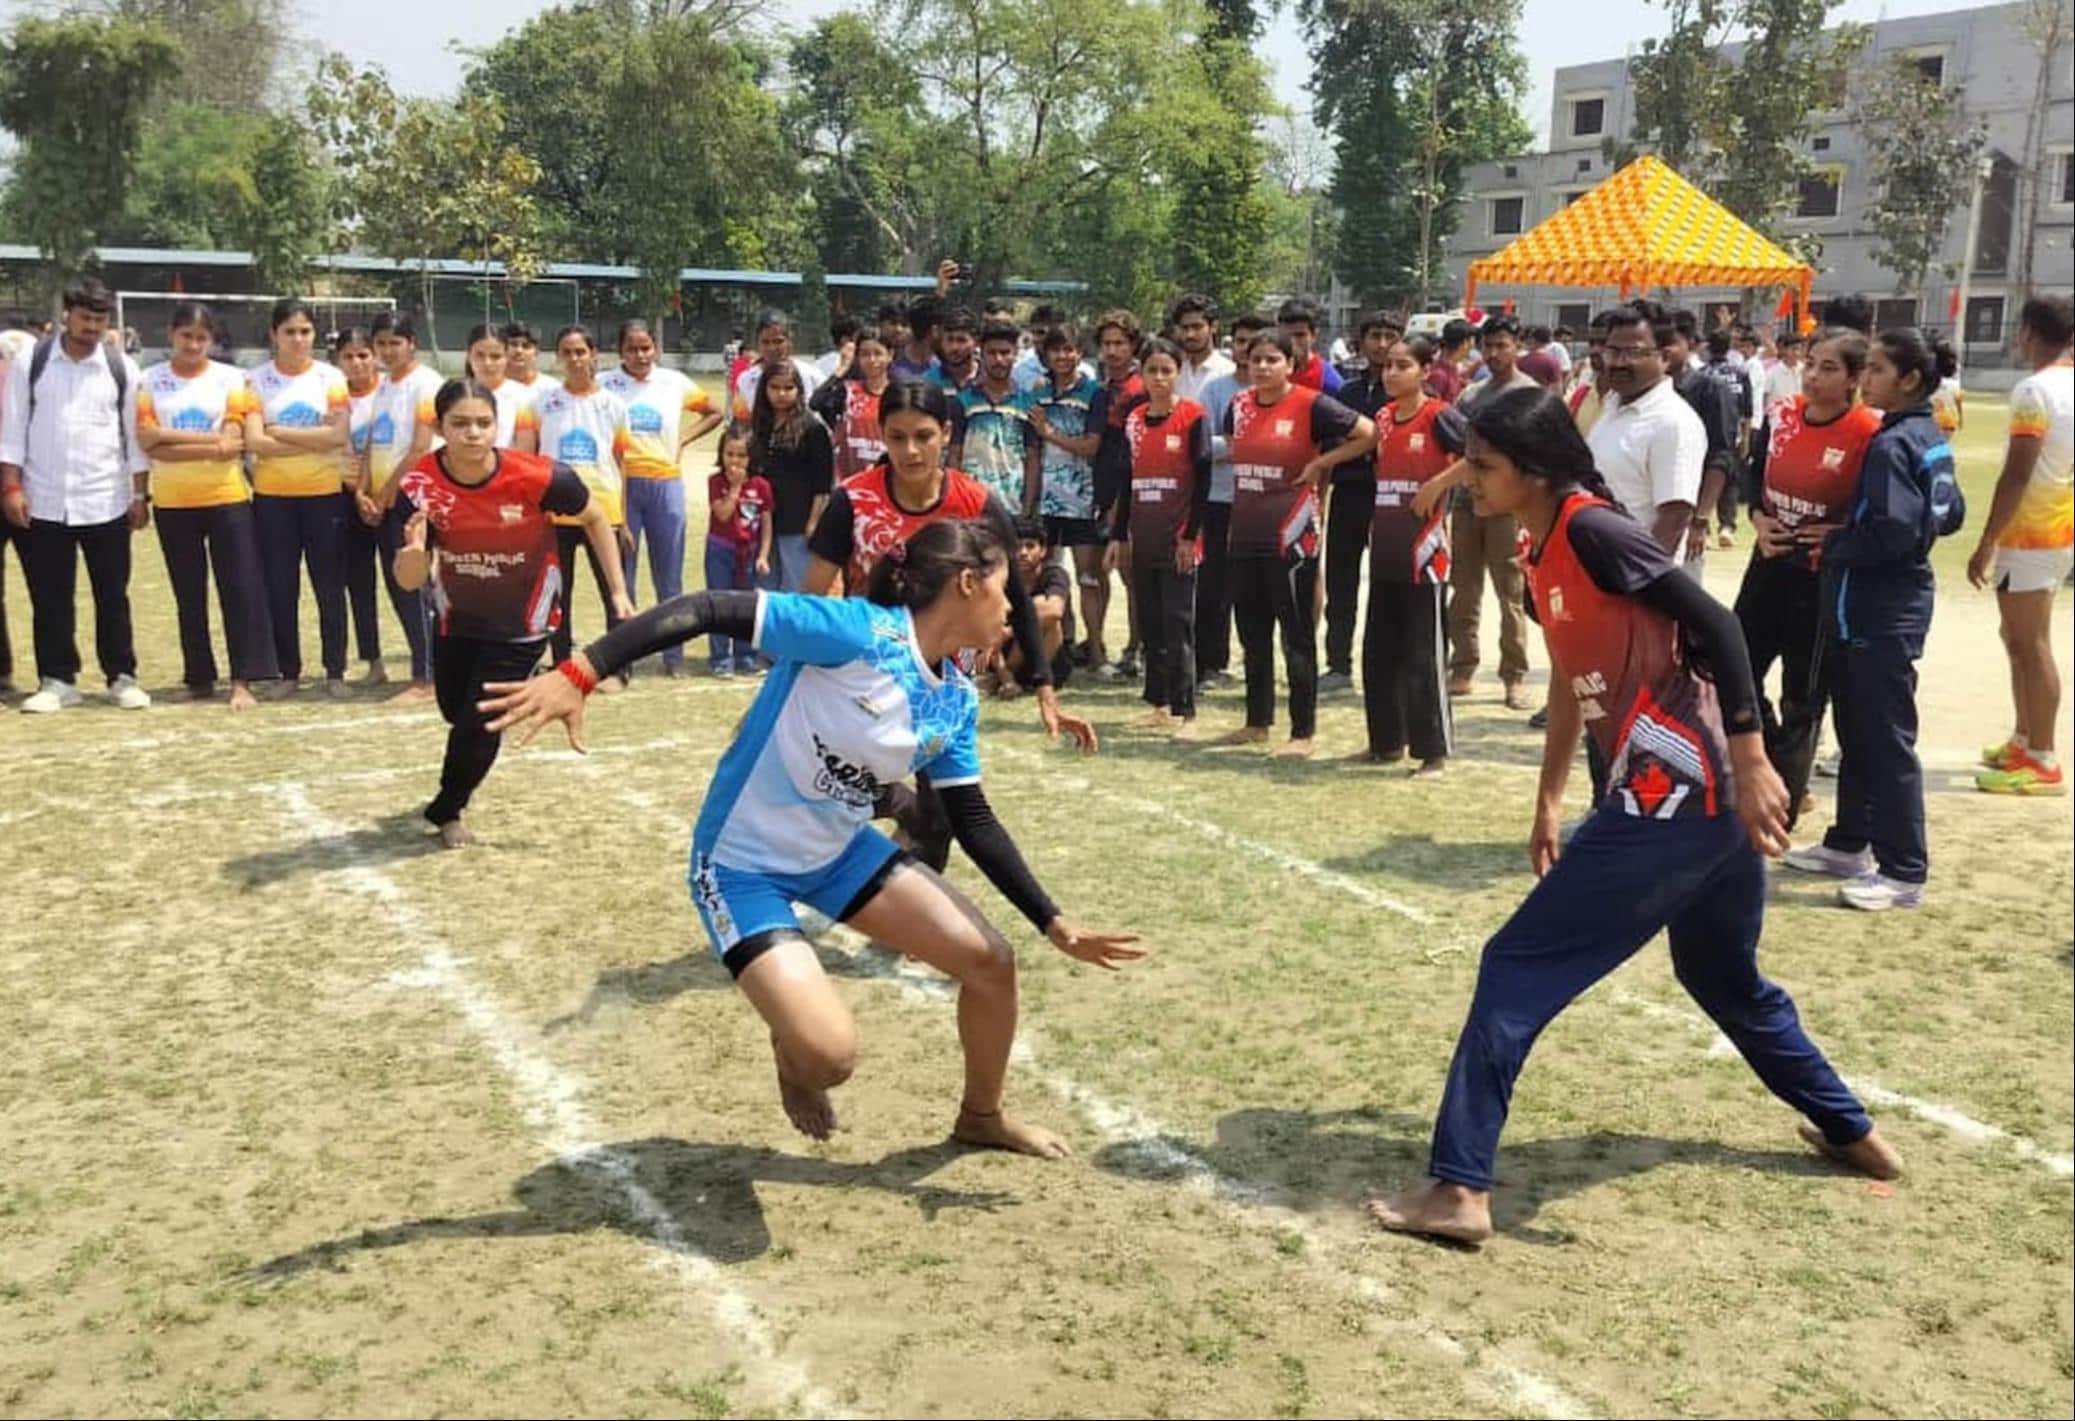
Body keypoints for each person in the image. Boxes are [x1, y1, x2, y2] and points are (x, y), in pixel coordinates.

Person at [1370, 387, 1901, 1247]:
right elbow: (1569, 673)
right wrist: (1548, 797)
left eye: (1482, 465)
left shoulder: (1593, 530)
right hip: (1691, 800)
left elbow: (1719, 623)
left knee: (1513, 964)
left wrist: (1751, 754)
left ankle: (1458, 1187)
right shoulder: (1540, 545)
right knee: (1720, 976)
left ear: (1532, 470)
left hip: (1677, 793)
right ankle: (1852, 1129)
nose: (1466, 477)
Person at [482, 520, 1140, 1152]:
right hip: (742, 866)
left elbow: (973, 819)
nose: (1014, 608)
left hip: (839, 854)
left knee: (992, 963)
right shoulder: (854, 633)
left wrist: (1054, 923)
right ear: (967, 584)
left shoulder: (955, 698)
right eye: (1003, 589)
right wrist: (581, 672)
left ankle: (981, 1117)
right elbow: (707, 606)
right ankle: (794, 1053)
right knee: (829, 1057)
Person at [391, 379, 632, 848]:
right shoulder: (419, 485)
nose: (473, 433)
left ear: (497, 425)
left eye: (484, 423)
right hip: (458, 616)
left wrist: (618, 591)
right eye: (460, 423)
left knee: (481, 719)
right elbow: (408, 579)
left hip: (524, 619)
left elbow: (595, 517)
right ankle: (465, 766)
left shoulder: (539, 476)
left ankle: (448, 808)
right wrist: (416, 552)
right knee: (456, 710)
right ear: (439, 427)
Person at [1783, 329, 1962, 911]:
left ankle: (1904, 869)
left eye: (1879, 369)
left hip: (1879, 610)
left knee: (1884, 738)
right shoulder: (1926, 435)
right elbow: (1951, 513)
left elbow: (1898, 532)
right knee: (1858, 730)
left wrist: (1836, 542)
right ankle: (1848, 843)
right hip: (1878, 606)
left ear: (1910, 380)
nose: (1866, 378)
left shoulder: (1892, 445)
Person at [1735, 329, 1879, 830]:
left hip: (1819, 579)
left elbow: (1880, 510)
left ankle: (1782, 808)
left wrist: (1842, 532)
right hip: (1767, 564)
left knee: (1803, 694)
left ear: (1855, 379)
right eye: (1810, 364)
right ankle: (1770, 764)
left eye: (1829, 368)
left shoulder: (1868, 433)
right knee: (1731, 670)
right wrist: (1758, 519)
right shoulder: (1782, 414)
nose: (1813, 376)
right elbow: (1753, 475)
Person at [1215, 331, 1375, 757]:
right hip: (1244, 532)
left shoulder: (1312, 404)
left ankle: (1302, 732)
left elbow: (1369, 433)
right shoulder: (1239, 405)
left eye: (1272, 359)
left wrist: (1321, 463)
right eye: (1256, 360)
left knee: (1297, 634)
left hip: (1292, 535)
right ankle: (1257, 722)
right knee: (1252, 632)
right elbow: (1235, 448)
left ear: (1290, 364)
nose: (1263, 367)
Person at [0, 278, 152, 713]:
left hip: (106, 497)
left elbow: (133, 439)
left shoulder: (121, 368)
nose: (92, 328)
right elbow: (13, 429)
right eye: (85, 318)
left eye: (100, 320)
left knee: (113, 594)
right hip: (45, 497)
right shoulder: (33, 361)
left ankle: (121, 676)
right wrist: (11, 486)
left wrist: (140, 496)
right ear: (67, 315)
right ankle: (57, 679)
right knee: (50, 596)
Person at [134, 302, 276, 711]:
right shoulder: (150, 380)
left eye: (201, 337)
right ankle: (199, 678)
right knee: (188, 593)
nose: (193, 344)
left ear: (212, 340)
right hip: (173, 502)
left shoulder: (231, 379)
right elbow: (147, 441)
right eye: (186, 336)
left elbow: (233, 442)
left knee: (239, 591)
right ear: (171, 334)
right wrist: (209, 444)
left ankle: (242, 679)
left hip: (227, 499)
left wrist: (171, 439)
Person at [1969, 294, 2073, 796]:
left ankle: (2043, 758)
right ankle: (2025, 739)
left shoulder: (2035, 389)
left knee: (2030, 644)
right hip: (2055, 529)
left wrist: (1987, 540)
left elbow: (2017, 473)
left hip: (2032, 533)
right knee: (2017, 638)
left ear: (2029, 332)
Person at [1357, 336, 1466, 775]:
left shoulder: (1439, 416)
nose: (1392, 373)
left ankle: (1433, 752)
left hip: (1425, 555)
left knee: (1423, 655)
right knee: (1379, 651)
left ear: (1426, 370)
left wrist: (1438, 485)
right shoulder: (1383, 418)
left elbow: (1481, 455)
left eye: (1403, 365)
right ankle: (1386, 742)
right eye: (1388, 365)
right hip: (1385, 548)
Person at [243, 298, 353, 700]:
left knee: (329, 587)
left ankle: (335, 671)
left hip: (324, 497)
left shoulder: (331, 378)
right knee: (280, 588)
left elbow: (338, 437)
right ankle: (288, 671)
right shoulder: (255, 380)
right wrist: (312, 440)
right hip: (273, 500)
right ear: (274, 334)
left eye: (305, 331)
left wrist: (279, 431)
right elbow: (254, 442)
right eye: (289, 331)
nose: (297, 339)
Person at [602, 319, 723, 673]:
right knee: (623, 575)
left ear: (656, 348)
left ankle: (673, 656)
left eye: (646, 348)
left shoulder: (674, 382)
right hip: (622, 487)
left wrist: (683, 439)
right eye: (632, 349)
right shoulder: (605, 384)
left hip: (665, 484)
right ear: (620, 351)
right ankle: (623, 657)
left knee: (669, 576)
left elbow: (715, 412)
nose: (640, 355)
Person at [1104, 338, 1210, 738]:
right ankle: (1160, 703)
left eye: (1167, 370)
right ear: (1142, 373)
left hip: (1178, 539)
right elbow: (1127, 481)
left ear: (1178, 373)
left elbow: (1202, 482)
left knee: (1178, 624)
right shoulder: (1133, 420)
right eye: (1152, 370)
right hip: (1143, 538)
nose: (1160, 378)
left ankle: (1188, 713)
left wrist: (1190, 537)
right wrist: (1119, 536)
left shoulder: (1193, 416)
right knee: (1151, 623)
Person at [519, 324, 633, 685]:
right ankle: (562, 664)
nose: (574, 359)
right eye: (566, 352)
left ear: (593, 355)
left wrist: (624, 518)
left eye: (580, 351)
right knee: (558, 595)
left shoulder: (614, 404)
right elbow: (527, 460)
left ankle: (618, 668)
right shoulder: (542, 403)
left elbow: (620, 462)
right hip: (555, 515)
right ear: (557, 357)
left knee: (613, 591)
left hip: (603, 512)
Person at [1443, 314, 1539, 708]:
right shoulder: (1470, 395)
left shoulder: (1529, 394)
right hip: (1468, 502)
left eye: (1503, 345)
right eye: (1489, 346)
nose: (1495, 353)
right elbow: (1458, 449)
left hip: (1509, 507)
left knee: (1510, 594)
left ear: (1518, 347)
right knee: (1464, 589)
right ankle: (1463, 666)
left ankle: (1514, 676)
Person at [359, 311, 442, 704]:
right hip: (383, 499)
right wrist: (363, 490)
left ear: (412, 344)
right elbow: (374, 443)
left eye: (396, 342)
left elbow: (420, 448)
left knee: (415, 584)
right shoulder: (383, 385)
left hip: (412, 497)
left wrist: (387, 493)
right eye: (382, 343)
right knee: (398, 584)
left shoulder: (426, 384)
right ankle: (424, 667)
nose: (388, 350)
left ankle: (428, 676)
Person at [1320, 314, 1395, 695]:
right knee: (1340, 581)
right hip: (1349, 492)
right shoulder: (1346, 391)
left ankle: (1383, 665)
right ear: (1361, 341)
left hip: (1392, 499)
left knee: (1388, 584)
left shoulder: (1409, 392)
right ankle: (1338, 664)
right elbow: (1330, 440)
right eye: (1374, 336)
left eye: (1389, 336)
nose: (1381, 344)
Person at [1196, 314, 1265, 690]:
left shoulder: (1285, 394)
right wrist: (1235, 446)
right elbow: (1200, 444)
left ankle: (1259, 664)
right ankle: (1211, 663)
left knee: (1259, 588)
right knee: (1214, 585)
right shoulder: (1215, 389)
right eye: (1240, 342)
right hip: (1220, 499)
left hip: (1266, 503)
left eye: (1256, 343)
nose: (1247, 350)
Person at [1085, 312, 1148, 679]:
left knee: (1131, 575)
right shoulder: (1100, 389)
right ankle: (1097, 649)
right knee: (1097, 573)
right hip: (1100, 487)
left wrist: (1120, 504)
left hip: (1132, 490)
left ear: (1133, 345)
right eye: (1106, 344)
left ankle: (1135, 648)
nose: (1112, 351)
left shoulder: (1141, 390)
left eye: (1119, 343)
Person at [334, 327, 389, 687]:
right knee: (358, 581)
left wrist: (373, 492)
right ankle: (374, 661)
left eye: (363, 355)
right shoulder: (333, 395)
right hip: (347, 498)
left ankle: (427, 658)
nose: (357, 363)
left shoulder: (389, 391)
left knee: (407, 580)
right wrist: (356, 491)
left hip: (388, 497)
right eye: (348, 356)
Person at [751, 362, 834, 595]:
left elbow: (823, 484)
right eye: (774, 387)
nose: (781, 394)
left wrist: (813, 523)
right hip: (762, 522)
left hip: (798, 522)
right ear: (764, 389)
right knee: (764, 591)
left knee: (796, 589)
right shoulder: (758, 425)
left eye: (788, 388)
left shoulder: (812, 429)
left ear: (799, 390)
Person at [705, 430, 774, 675]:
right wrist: (735, 488)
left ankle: (745, 656)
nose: (734, 461)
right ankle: (720, 658)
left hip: (749, 552)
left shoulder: (761, 486)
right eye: (729, 454)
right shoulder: (716, 482)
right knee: (720, 603)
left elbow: (766, 524)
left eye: (741, 455)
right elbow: (722, 514)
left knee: (746, 606)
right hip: (720, 550)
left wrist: (763, 555)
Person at [948, 321, 1033, 509]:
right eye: (992, 353)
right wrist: (956, 499)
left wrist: (1028, 507)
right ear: (981, 354)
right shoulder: (963, 401)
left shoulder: (1027, 403)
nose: (999, 360)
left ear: (1015, 354)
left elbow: (1032, 458)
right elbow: (954, 454)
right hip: (971, 504)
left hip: (1012, 505)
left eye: (1005, 352)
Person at [1000, 513, 1075, 692]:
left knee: (1045, 615)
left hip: (1048, 657)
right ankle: (1002, 676)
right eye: (1017, 547)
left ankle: (1008, 677)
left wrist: (1011, 631)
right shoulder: (1000, 576)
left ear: (1043, 550)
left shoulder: (1054, 574)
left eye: (1030, 546)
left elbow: (1054, 611)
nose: (1023, 553)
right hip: (1003, 650)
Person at [810, 327, 891, 486]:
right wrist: (842, 368)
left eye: (878, 353)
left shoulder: (897, 393)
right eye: (865, 354)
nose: (872, 360)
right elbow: (815, 402)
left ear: (890, 355)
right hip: (849, 480)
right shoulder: (847, 392)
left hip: (886, 479)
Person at [731, 309, 826, 430]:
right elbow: (742, 424)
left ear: (789, 340)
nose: (772, 348)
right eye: (765, 342)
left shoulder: (811, 376)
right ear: (757, 343)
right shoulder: (747, 380)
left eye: (778, 341)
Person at [463, 323, 538, 449]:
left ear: (506, 358)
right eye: (480, 355)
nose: (487, 363)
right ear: (469, 356)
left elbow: (525, 451)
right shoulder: (455, 394)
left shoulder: (523, 398)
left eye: (495, 356)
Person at [1170, 293, 1234, 403]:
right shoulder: (1175, 372)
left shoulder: (1228, 373)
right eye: (1185, 328)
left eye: (1197, 327)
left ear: (1214, 327)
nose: (1190, 334)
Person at [1277, 299, 1344, 394]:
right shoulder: (1265, 372)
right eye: (1286, 335)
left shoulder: (1328, 381)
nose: (1292, 341)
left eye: (1300, 335)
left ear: (1314, 335)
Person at [503, 322, 561, 400]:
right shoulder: (491, 387)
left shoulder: (552, 389)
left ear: (536, 353)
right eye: (513, 344)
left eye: (526, 346)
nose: (519, 350)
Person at [928, 307, 980, 392]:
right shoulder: (929, 381)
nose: (954, 347)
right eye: (949, 339)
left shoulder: (989, 379)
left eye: (961, 340)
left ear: (976, 342)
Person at [1426, 319, 1474, 404]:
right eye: (1471, 341)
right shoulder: (1439, 375)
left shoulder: (1452, 368)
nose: (1472, 346)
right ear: (1465, 343)